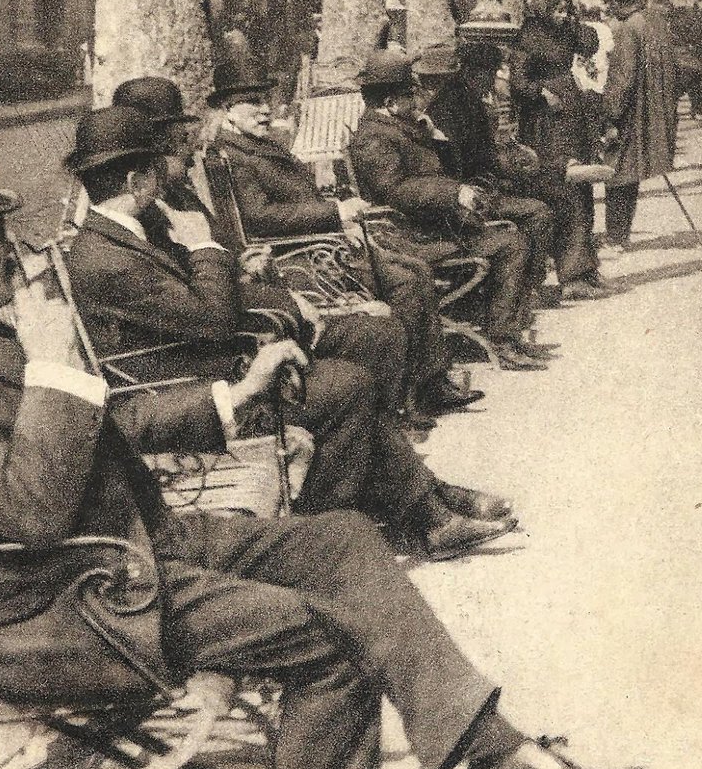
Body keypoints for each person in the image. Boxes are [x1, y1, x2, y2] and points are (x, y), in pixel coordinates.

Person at [0, 123, 647, 769]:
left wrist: (233, 398)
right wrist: (51, 366)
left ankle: (495, 754)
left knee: (339, 542)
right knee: (325, 636)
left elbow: (101, 423)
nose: (9, 247)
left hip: (116, 558)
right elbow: (33, 510)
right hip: (47, 616)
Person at [65, 107, 516, 560]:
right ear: (133, 181)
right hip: (191, 393)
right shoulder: (108, 257)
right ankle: (330, 534)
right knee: (347, 385)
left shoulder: (120, 238)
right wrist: (203, 245)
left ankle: (424, 506)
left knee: (347, 378)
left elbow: (198, 309)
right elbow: (213, 320)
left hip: (204, 365)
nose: (162, 178)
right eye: (152, 169)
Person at [195, 64, 483, 422]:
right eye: (252, 103)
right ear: (227, 112)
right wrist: (334, 211)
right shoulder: (233, 156)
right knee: (408, 279)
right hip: (298, 255)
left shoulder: (257, 146)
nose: (265, 109)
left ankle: (429, 381)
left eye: (265, 100)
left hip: (324, 240)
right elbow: (258, 217)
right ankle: (408, 396)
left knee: (414, 271)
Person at [347, 49, 548, 370]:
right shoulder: (374, 138)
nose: (418, 100)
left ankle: (506, 330)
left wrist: (435, 139)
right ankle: (502, 337)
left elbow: (439, 171)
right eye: (411, 95)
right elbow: (396, 190)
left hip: (431, 226)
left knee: (512, 237)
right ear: (390, 102)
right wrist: (454, 192)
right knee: (512, 244)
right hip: (409, 237)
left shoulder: (400, 128)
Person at [508, 0, 613, 297]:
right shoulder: (528, 38)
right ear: (543, 10)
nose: (563, 15)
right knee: (567, 192)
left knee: (583, 189)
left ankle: (586, 266)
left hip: (571, 121)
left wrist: (573, 21)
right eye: (557, 10)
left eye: (566, 10)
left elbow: (590, 44)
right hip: (545, 125)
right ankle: (572, 275)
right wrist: (542, 92)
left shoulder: (566, 31)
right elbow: (518, 83)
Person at [601, 0, 679, 249]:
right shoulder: (657, 24)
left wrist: (608, 114)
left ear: (622, 3)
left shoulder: (627, 30)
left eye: (613, 5)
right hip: (652, 113)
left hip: (630, 115)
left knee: (617, 171)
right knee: (631, 172)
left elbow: (623, 78)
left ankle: (615, 237)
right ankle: (620, 235)